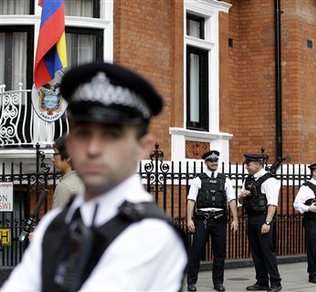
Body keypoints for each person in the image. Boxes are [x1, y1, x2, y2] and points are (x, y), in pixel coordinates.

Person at [2, 62, 187, 291]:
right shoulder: (53, 225)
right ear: (69, 143)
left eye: (111, 135)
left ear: (143, 147)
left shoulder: (153, 235)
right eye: (83, 134)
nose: (93, 149)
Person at [186, 150, 239, 292]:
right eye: (211, 161)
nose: (214, 163)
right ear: (206, 163)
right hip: (202, 220)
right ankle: (191, 282)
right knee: (196, 252)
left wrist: (235, 219)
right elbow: (191, 200)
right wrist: (189, 219)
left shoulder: (225, 180)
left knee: (220, 253)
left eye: (215, 161)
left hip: (219, 221)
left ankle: (218, 282)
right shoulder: (198, 179)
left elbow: (231, 200)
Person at [239, 153, 282, 292]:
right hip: (251, 218)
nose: (246, 166)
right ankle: (262, 282)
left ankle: (276, 282)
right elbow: (240, 202)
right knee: (256, 252)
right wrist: (241, 196)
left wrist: (267, 223)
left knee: (267, 252)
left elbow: (272, 204)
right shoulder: (248, 180)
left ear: (257, 165)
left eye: (248, 164)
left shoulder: (269, 180)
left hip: (263, 218)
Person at [51, 135, 84, 209]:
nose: (52, 159)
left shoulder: (64, 187)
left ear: (69, 156)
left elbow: (59, 219)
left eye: (55, 154)